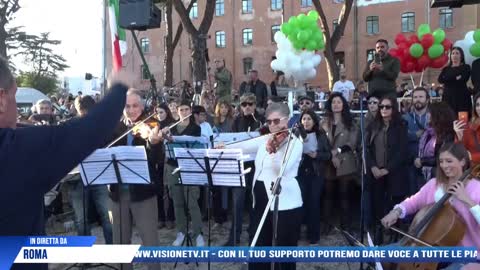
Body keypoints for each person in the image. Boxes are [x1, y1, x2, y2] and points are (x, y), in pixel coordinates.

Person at [0, 56, 129, 270]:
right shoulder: (12, 149)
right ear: (2, 100)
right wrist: (118, 88)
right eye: (14, 96)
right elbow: (86, 131)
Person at [381, 142, 480, 270]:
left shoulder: (476, 189)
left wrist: (466, 200)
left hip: (466, 254)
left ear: (462, 162)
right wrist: (396, 212)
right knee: (381, 255)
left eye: (449, 161)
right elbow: (413, 201)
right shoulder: (434, 184)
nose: (444, 166)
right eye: (442, 161)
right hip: (431, 248)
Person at [233, 103, 303, 270]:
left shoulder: (295, 142)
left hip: (285, 202)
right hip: (261, 199)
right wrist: (224, 146)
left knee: (283, 250)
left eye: (276, 121)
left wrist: (276, 149)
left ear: (287, 120)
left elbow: (282, 169)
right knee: (259, 245)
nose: (272, 125)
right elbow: (242, 146)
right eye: (269, 122)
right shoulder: (265, 139)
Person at [108, 90, 162, 270]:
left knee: (150, 242)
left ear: (142, 106)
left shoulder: (152, 125)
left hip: (143, 194)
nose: (131, 110)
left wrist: (153, 143)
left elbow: (156, 159)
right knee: (120, 243)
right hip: (117, 193)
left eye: (135, 106)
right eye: (127, 106)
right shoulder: (114, 128)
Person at [67, 95, 113, 244]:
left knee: (108, 215)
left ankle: (113, 250)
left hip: (99, 174)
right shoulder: (70, 126)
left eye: (88, 112)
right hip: (77, 177)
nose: (86, 115)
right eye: (82, 112)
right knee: (81, 219)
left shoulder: (102, 125)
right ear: (77, 111)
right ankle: (85, 255)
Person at [365, 96, 409, 244]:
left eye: (387, 107)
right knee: (377, 205)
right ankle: (378, 236)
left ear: (393, 108)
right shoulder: (372, 126)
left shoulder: (401, 125)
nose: (383, 109)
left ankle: (394, 237)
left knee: (394, 204)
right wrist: (372, 166)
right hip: (376, 172)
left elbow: (403, 151)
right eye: (381, 107)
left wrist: (388, 169)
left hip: (394, 172)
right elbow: (366, 149)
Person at [163, 100, 205, 247]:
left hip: (190, 167)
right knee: (178, 202)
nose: (184, 112)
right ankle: (181, 232)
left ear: (190, 111)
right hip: (173, 166)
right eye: (182, 109)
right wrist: (165, 135)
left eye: (187, 109)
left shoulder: (195, 128)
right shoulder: (172, 127)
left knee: (192, 201)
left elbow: (196, 145)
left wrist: (173, 139)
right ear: (178, 111)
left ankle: (198, 234)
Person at [321, 92, 358, 232]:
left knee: (345, 195)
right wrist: (331, 156)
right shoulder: (324, 122)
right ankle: (326, 224)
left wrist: (337, 152)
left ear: (343, 105)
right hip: (328, 163)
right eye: (333, 102)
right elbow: (322, 142)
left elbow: (352, 143)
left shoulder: (351, 122)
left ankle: (346, 225)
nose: (336, 104)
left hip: (345, 162)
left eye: (339, 102)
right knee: (327, 196)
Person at [297, 110, 331, 245]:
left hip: (315, 173)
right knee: (300, 203)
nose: (306, 122)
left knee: (314, 203)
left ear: (314, 121)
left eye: (309, 119)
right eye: (304, 119)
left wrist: (317, 155)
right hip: (299, 172)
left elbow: (328, 154)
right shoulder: (296, 134)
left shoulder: (320, 135)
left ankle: (313, 236)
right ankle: (298, 233)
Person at [414, 102, 456, 179]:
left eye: (429, 113)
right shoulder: (428, 132)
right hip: (425, 174)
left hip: (440, 175)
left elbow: (442, 156)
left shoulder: (448, 134)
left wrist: (423, 161)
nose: (427, 115)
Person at [403, 87, 430, 195]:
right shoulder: (404, 118)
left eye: (421, 97)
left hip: (429, 163)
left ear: (427, 100)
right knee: (412, 196)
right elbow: (402, 137)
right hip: (411, 162)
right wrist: (415, 135)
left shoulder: (434, 116)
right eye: (415, 97)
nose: (418, 99)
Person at [156, 103, 176, 229]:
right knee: (158, 190)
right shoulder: (153, 125)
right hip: (157, 159)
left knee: (170, 190)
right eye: (157, 112)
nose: (158, 115)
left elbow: (174, 140)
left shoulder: (172, 124)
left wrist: (166, 136)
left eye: (161, 112)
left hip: (169, 159)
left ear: (167, 112)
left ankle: (171, 217)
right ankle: (160, 217)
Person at [438, 46, 472, 116]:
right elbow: (440, 80)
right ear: (450, 56)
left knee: (462, 119)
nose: (454, 55)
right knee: (448, 117)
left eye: (457, 53)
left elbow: (463, 79)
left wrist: (447, 79)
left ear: (461, 56)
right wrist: (456, 77)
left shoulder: (466, 67)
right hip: (448, 97)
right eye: (453, 53)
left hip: (462, 97)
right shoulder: (446, 69)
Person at [454, 92, 480, 167]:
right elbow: (459, 153)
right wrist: (459, 136)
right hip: (473, 172)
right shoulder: (470, 126)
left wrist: (472, 156)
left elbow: (469, 156)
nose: (479, 108)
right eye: (477, 105)